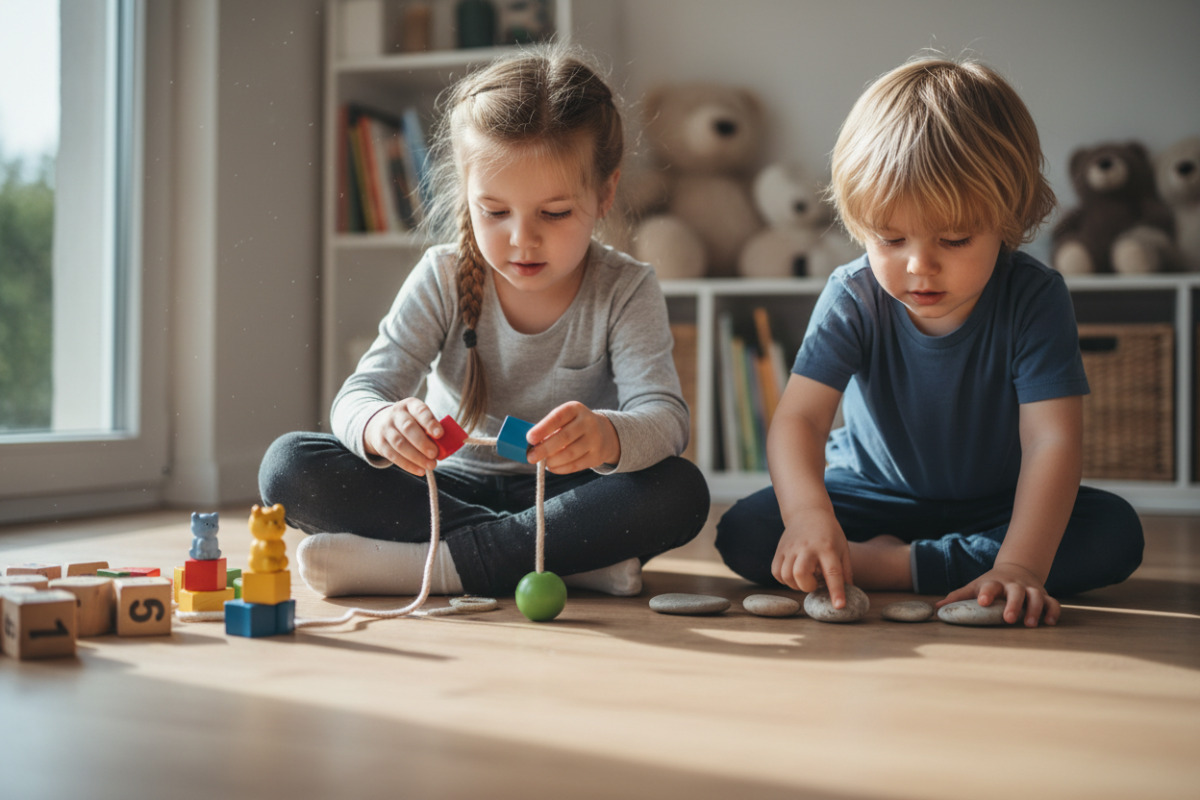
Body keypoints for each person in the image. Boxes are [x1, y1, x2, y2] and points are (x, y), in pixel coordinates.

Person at [260, 46, 709, 598]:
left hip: (563, 496)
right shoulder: (443, 275)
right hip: (441, 488)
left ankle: (435, 566)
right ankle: (552, 560)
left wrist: (608, 436)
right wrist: (381, 426)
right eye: (494, 212)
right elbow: (362, 393)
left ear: (605, 192)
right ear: (467, 197)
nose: (523, 238)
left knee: (679, 491)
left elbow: (665, 419)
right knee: (288, 465)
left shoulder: (626, 287)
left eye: (555, 212)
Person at [715, 56, 1143, 627]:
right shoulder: (854, 295)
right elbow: (801, 421)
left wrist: (1020, 564)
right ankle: (929, 563)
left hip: (998, 503)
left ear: (1008, 218)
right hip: (870, 491)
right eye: (889, 238)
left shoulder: (1035, 297)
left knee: (1115, 533)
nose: (920, 266)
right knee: (749, 532)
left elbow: (1051, 444)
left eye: (956, 238)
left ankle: (893, 565)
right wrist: (809, 514)